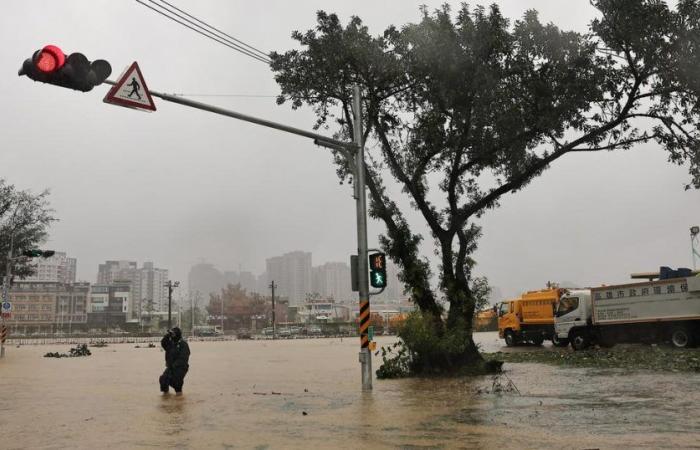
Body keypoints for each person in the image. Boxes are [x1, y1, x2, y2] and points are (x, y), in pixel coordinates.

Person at [159, 327, 190, 395]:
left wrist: (175, 365)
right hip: (171, 367)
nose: (172, 335)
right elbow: (163, 343)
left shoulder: (183, 344)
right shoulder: (170, 343)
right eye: (171, 334)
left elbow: (184, 358)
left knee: (176, 383)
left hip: (181, 367)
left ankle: (179, 400)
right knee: (163, 379)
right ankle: (166, 396)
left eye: (173, 334)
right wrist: (168, 335)